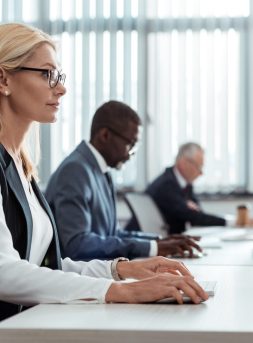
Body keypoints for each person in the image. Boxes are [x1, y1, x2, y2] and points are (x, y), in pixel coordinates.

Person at [0, 23, 208, 321]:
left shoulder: (23, 167)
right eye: (47, 74)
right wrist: (122, 290)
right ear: (3, 78)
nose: (61, 87)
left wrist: (123, 269)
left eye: (59, 76)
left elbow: (48, 266)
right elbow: (4, 272)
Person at [45, 100, 202, 261]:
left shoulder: (102, 171)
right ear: (105, 135)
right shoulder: (75, 171)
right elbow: (77, 244)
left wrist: (159, 241)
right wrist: (153, 248)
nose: (130, 154)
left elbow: (113, 234)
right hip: (80, 278)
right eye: (130, 145)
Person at [144, 143, 227, 234]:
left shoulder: (185, 184)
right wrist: (227, 222)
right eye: (198, 167)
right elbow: (195, 218)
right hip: (154, 240)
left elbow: (198, 213)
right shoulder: (166, 185)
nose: (201, 173)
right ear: (183, 163)